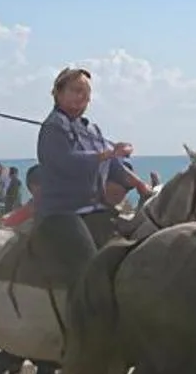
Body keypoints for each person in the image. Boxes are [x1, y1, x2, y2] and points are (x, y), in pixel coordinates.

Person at [34, 68, 132, 274]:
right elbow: (65, 161)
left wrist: (141, 185)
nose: (83, 97)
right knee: (90, 268)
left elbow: (114, 166)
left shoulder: (92, 129)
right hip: (63, 212)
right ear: (58, 92)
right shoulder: (53, 126)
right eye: (76, 90)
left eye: (87, 94)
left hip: (96, 209)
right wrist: (106, 154)